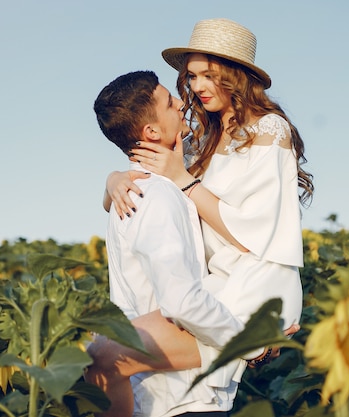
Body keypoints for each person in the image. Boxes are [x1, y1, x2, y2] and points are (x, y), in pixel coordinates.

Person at [102, 16, 314, 410]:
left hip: (255, 278)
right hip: (217, 281)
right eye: (191, 76)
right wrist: (113, 180)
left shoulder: (271, 130)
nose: (196, 87)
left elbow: (256, 231)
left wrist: (185, 180)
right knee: (124, 358)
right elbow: (148, 186)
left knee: (113, 352)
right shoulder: (202, 138)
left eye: (207, 76)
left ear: (235, 76)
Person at [88, 70, 285, 417]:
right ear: (151, 132)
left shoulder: (136, 187)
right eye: (169, 102)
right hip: (179, 398)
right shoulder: (156, 195)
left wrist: (113, 178)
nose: (182, 103)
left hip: (161, 394)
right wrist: (252, 345)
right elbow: (182, 302)